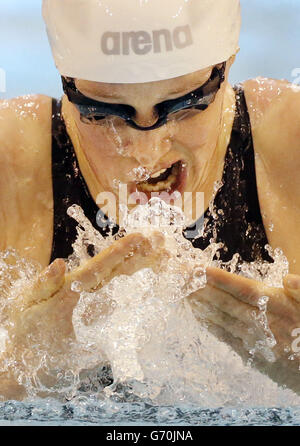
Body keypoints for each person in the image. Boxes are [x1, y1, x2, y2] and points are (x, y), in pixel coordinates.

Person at [1, 0, 300, 400]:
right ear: (67, 85)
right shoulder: (12, 166)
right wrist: (21, 370)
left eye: (186, 105)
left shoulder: (288, 147)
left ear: (227, 65)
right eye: (101, 113)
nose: (145, 152)